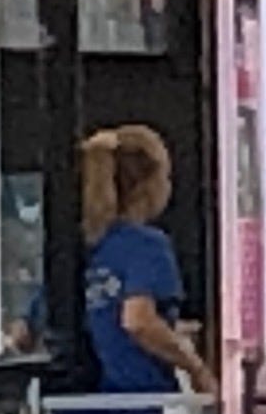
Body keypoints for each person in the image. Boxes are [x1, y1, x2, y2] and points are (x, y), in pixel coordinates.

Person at [76, 126, 209, 394]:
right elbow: (138, 320)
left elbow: (25, 331)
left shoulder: (81, 248)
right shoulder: (148, 245)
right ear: (150, 184)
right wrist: (195, 367)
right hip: (142, 397)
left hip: (90, 401)